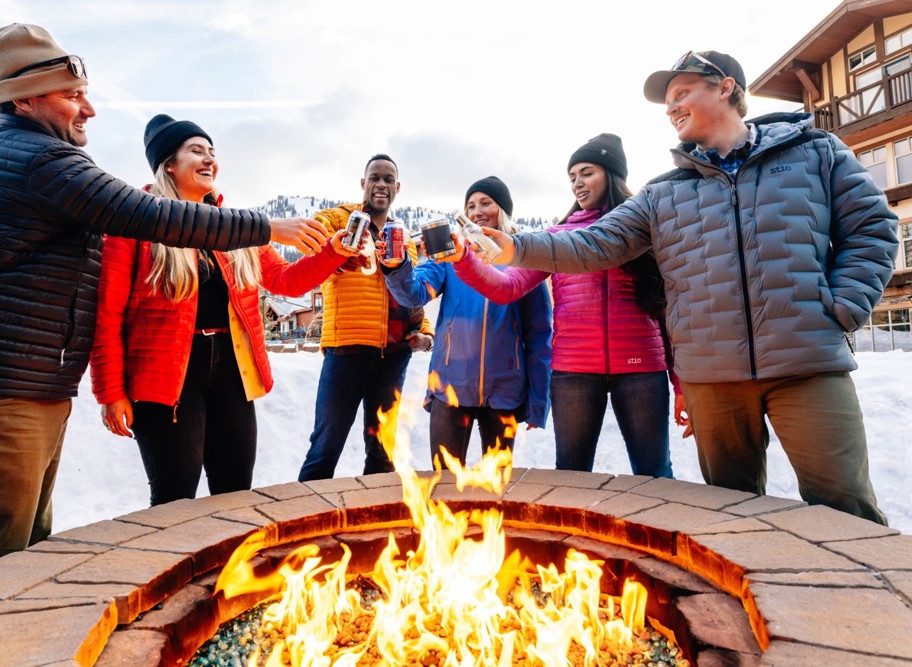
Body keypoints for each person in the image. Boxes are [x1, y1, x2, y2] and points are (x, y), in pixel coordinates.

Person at [0, 23, 329, 587]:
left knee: (16, 557)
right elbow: (144, 223)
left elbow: (284, 279)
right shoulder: (37, 160)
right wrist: (266, 226)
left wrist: (332, 253)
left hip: (20, 383)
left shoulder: (25, 156)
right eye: (72, 95)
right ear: (24, 98)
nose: (89, 109)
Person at [481, 50, 897, 525]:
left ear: (725, 87)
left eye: (681, 93)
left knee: (846, 512)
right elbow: (594, 243)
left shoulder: (816, 152)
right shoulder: (664, 193)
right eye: (668, 102)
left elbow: (872, 227)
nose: (672, 108)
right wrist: (515, 247)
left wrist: (843, 306)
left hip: (806, 362)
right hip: (712, 377)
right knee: (729, 515)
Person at [90, 115, 357, 506]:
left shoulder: (236, 227)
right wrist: (111, 393)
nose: (209, 159)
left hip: (232, 371)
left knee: (235, 493)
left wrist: (335, 251)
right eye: (196, 150)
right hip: (167, 378)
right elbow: (107, 315)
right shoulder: (135, 224)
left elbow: (286, 280)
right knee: (174, 500)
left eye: (212, 152)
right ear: (169, 164)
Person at [451, 141, 678, 477]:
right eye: (572, 177)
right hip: (574, 371)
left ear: (612, 175)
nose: (577, 184)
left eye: (587, 173)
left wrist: (680, 384)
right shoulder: (556, 238)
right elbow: (505, 288)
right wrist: (463, 259)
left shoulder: (644, 232)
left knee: (654, 474)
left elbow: (669, 312)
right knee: (571, 476)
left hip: (641, 366)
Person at [383, 176, 551, 468]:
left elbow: (539, 335)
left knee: (496, 482)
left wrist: (538, 401)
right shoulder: (452, 256)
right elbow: (413, 294)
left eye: (486, 203)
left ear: (503, 210)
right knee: (444, 480)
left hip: (504, 390)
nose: (477, 211)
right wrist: (397, 266)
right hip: (450, 385)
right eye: (471, 206)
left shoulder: (524, 259)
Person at [298, 154, 434, 481]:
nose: (381, 184)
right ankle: (304, 509)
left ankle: (376, 512)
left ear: (398, 187)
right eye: (375, 178)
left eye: (388, 179)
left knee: (382, 451)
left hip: (394, 355)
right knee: (325, 447)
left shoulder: (405, 241)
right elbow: (311, 241)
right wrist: (335, 247)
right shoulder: (341, 219)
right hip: (346, 350)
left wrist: (426, 334)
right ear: (363, 183)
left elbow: (412, 296)